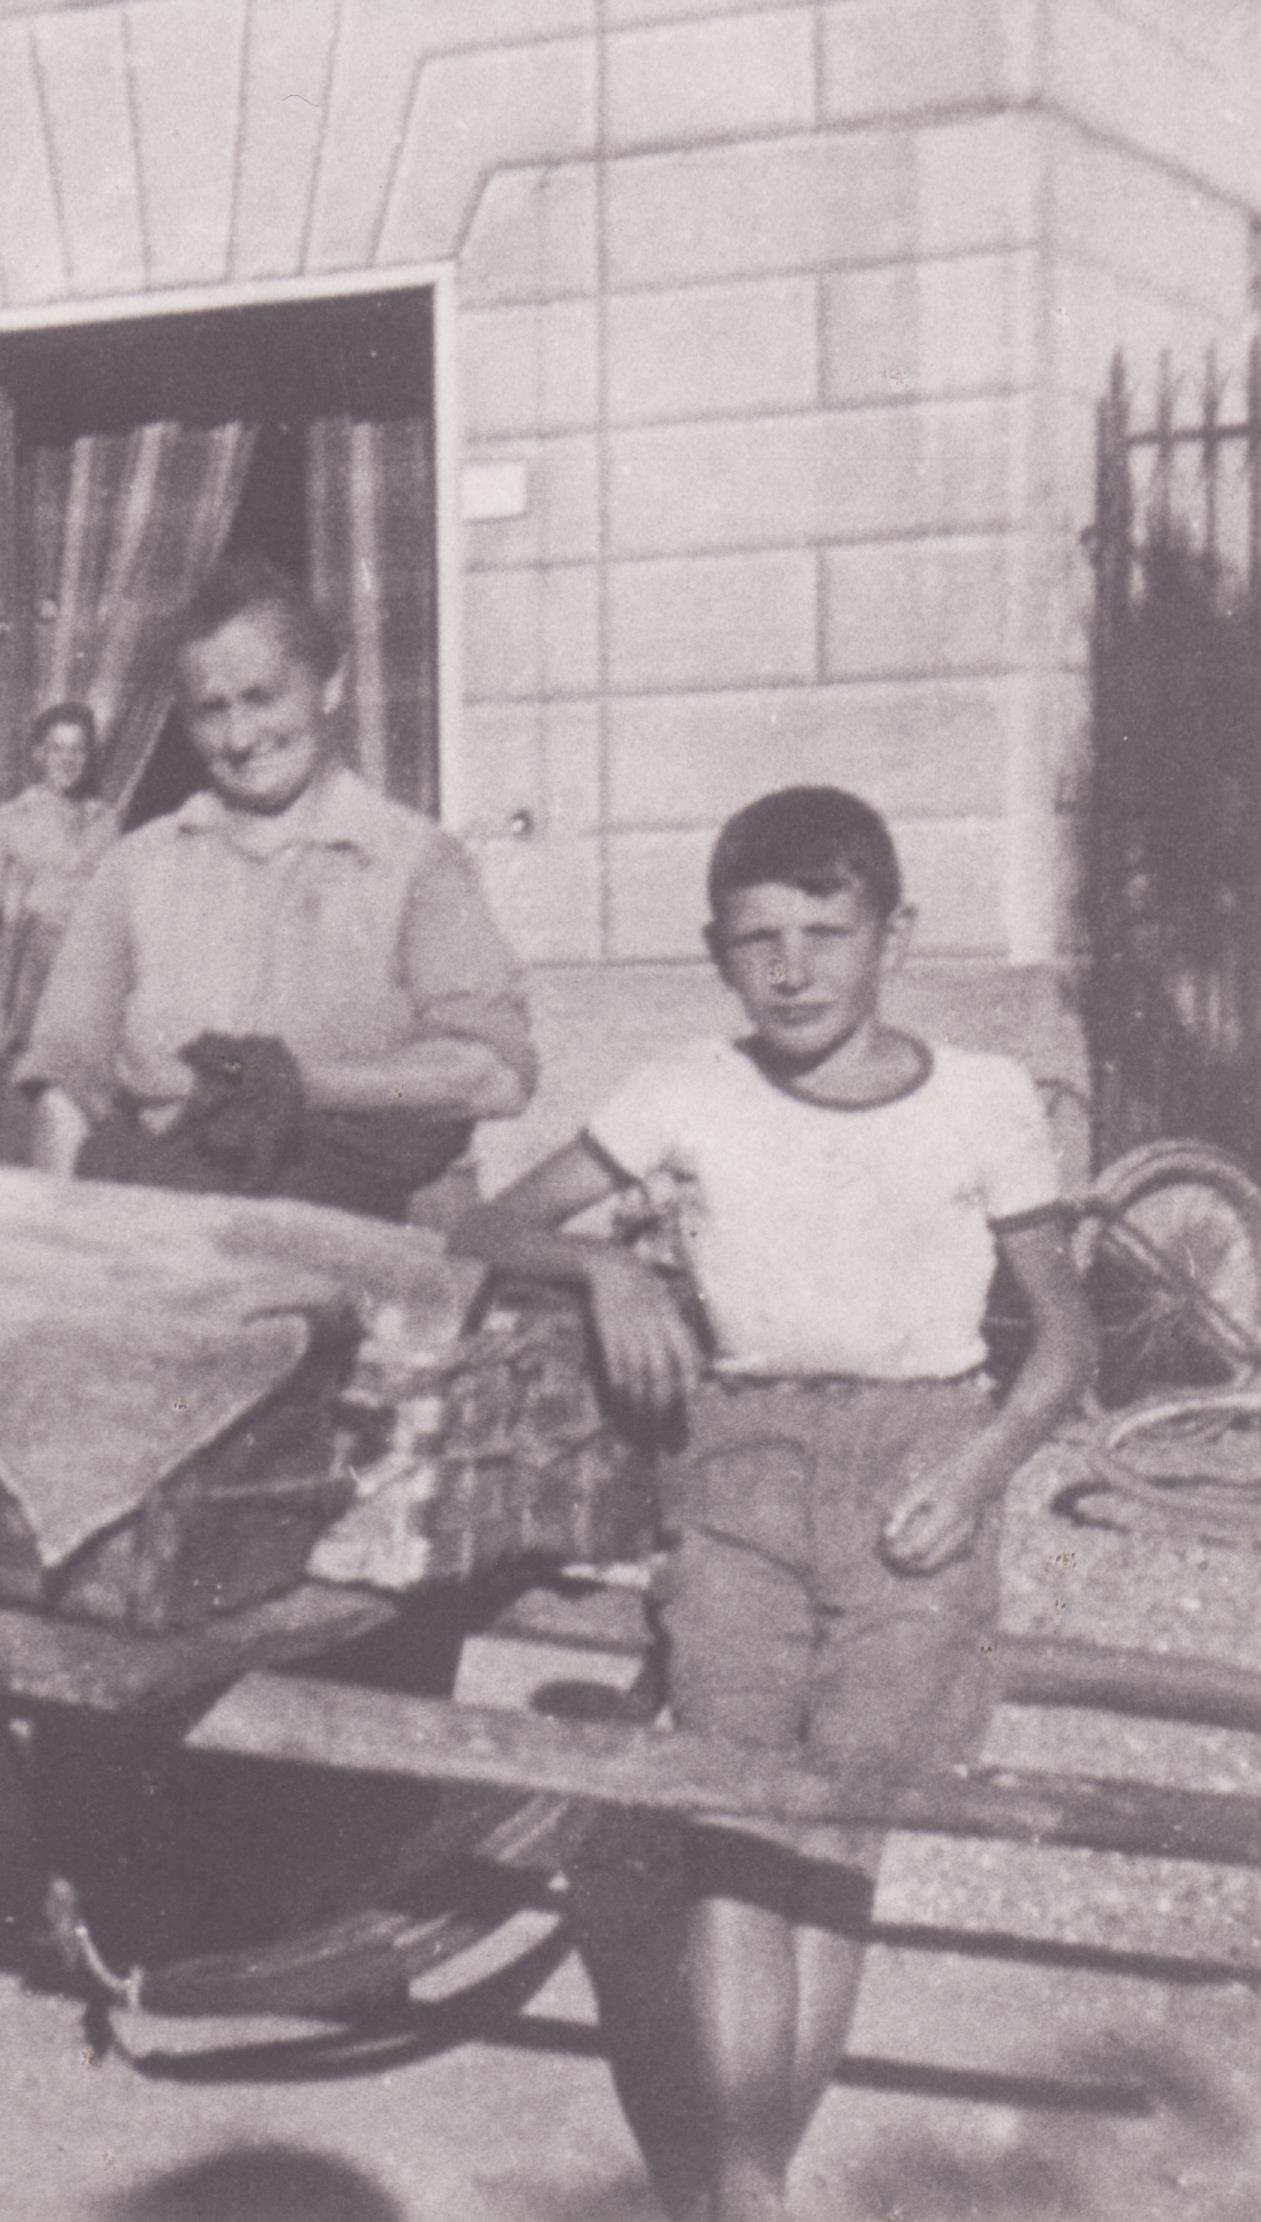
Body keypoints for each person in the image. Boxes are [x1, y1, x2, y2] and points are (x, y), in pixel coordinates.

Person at [449, 787, 1093, 2222]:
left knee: (837, 1829)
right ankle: (750, 2197)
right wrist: (608, 1270)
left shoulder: (983, 1097)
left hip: (915, 1475)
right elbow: (486, 1222)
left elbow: (1061, 1347)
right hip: (735, 1473)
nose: (792, 966)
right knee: (739, 1818)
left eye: (826, 929)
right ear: (715, 952)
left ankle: (741, 2185)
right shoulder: (686, 1090)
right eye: (757, 939)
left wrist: (975, 1471)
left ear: (895, 934)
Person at [19, 554, 533, 1221]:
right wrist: (57, 1261)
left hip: (361, 1248)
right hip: (158, 1253)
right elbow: (64, 1089)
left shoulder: (413, 863)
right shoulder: (136, 869)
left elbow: (494, 1074)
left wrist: (289, 1084)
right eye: (210, 711)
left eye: (262, 698)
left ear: (329, 684)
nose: (239, 737)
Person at [0, 701, 117, 1166]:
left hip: (89, 988)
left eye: (77, 749)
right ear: (37, 754)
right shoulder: (5, 823)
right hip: (29, 988)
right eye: (56, 748)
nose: (67, 760)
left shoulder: (105, 822)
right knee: (21, 1117)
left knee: (79, 1119)